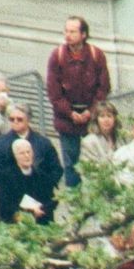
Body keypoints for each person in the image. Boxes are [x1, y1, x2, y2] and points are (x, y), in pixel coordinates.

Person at [45, 16, 111, 186]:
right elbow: (54, 93)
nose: (68, 35)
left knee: (97, 158)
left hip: (92, 117)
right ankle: (75, 203)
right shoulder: (57, 56)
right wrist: (70, 113)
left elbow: (103, 88)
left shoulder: (96, 55)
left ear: (83, 34)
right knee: (71, 163)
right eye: (66, 31)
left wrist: (91, 111)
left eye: (73, 31)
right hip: (67, 119)